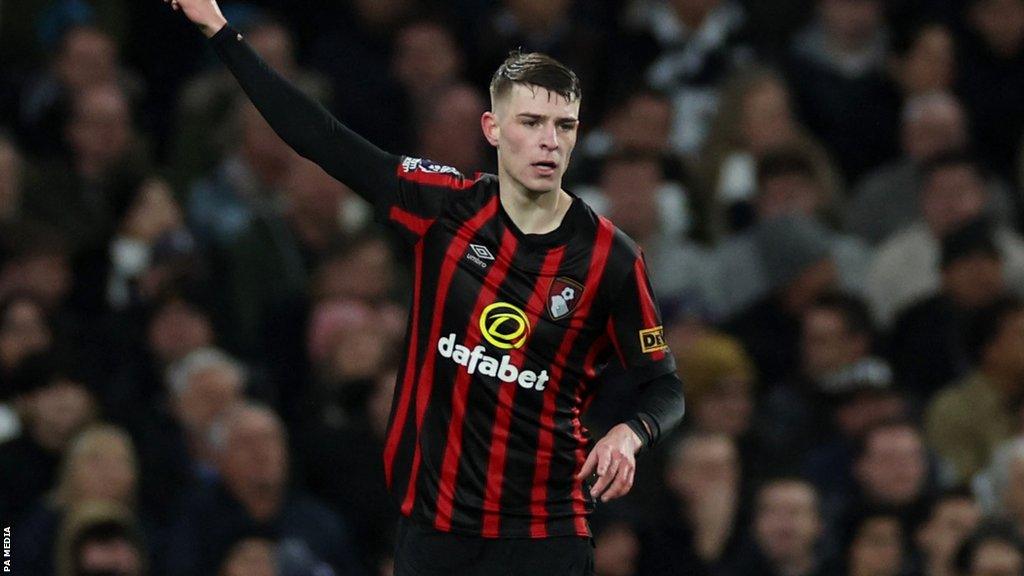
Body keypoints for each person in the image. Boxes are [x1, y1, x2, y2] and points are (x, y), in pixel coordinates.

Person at [164, 1, 686, 574]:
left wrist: (630, 435)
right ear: (492, 128)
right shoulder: (446, 206)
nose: (548, 142)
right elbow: (323, 139)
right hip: (433, 529)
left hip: (546, 532)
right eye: (530, 123)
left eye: (563, 126)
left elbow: (662, 387)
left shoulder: (613, 257)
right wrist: (219, 30)